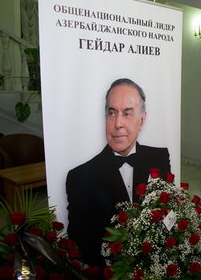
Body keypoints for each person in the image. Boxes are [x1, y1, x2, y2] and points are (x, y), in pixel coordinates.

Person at [66, 78, 171, 269]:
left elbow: (168, 213)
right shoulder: (80, 177)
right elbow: (82, 244)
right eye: (111, 112)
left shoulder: (160, 158)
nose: (117, 123)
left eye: (127, 113)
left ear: (142, 120)